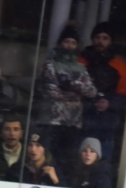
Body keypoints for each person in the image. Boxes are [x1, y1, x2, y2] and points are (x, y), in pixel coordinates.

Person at [37, 26, 97, 170]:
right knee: (49, 158)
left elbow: (92, 92)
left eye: (73, 43)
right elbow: (52, 91)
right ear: (60, 43)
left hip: (74, 123)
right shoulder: (50, 64)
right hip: (52, 120)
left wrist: (71, 85)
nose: (69, 46)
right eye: (66, 42)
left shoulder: (81, 67)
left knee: (67, 162)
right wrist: (77, 92)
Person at [77, 22, 126, 102]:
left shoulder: (119, 65)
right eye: (97, 37)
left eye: (105, 38)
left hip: (107, 111)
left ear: (111, 41)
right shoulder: (80, 60)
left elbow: (122, 93)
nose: (100, 41)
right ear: (92, 39)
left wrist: (109, 102)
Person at [83, 93, 119, 161]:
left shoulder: (113, 114)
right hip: (91, 142)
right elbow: (87, 126)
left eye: (103, 102)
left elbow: (112, 127)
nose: (100, 104)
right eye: (98, 102)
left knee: (104, 162)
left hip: (106, 142)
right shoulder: (90, 112)